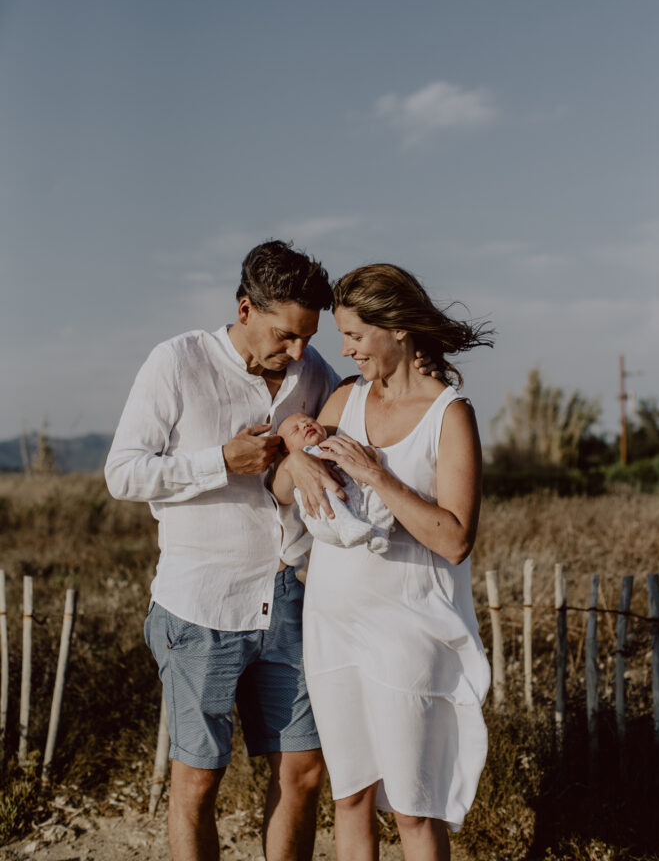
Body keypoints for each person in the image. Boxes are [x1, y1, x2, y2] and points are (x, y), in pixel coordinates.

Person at [104, 240, 438, 861]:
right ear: (244, 308)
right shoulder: (176, 362)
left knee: (305, 771)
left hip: (288, 599)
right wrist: (219, 462)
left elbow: (360, 404)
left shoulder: (312, 374)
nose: (298, 351)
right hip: (200, 605)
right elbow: (122, 473)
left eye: (307, 337)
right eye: (285, 335)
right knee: (198, 781)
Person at [273, 263, 495, 861]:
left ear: (397, 329)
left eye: (355, 335)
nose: (344, 349)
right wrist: (294, 463)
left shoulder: (450, 415)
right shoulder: (345, 397)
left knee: (413, 807)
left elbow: (453, 538)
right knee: (349, 796)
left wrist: (377, 475)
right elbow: (283, 488)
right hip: (332, 622)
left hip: (408, 626)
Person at [276, 412, 395, 553]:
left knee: (375, 490)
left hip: (358, 499)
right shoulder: (304, 457)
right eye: (296, 430)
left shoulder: (338, 441)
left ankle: (379, 532)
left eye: (310, 421)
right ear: (286, 452)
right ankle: (346, 525)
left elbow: (369, 454)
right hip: (327, 519)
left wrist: (368, 454)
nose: (305, 425)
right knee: (322, 491)